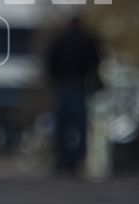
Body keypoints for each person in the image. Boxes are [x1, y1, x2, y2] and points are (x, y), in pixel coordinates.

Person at [43, 13, 105, 175]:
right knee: (80, 125)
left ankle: (62, 159)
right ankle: (76, 158)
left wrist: (53, 80)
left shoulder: (59, 40)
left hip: (63, 85)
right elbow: (96, 62)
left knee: (62, 125)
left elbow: (49, 62)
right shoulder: (87, 39)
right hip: (79, 85)